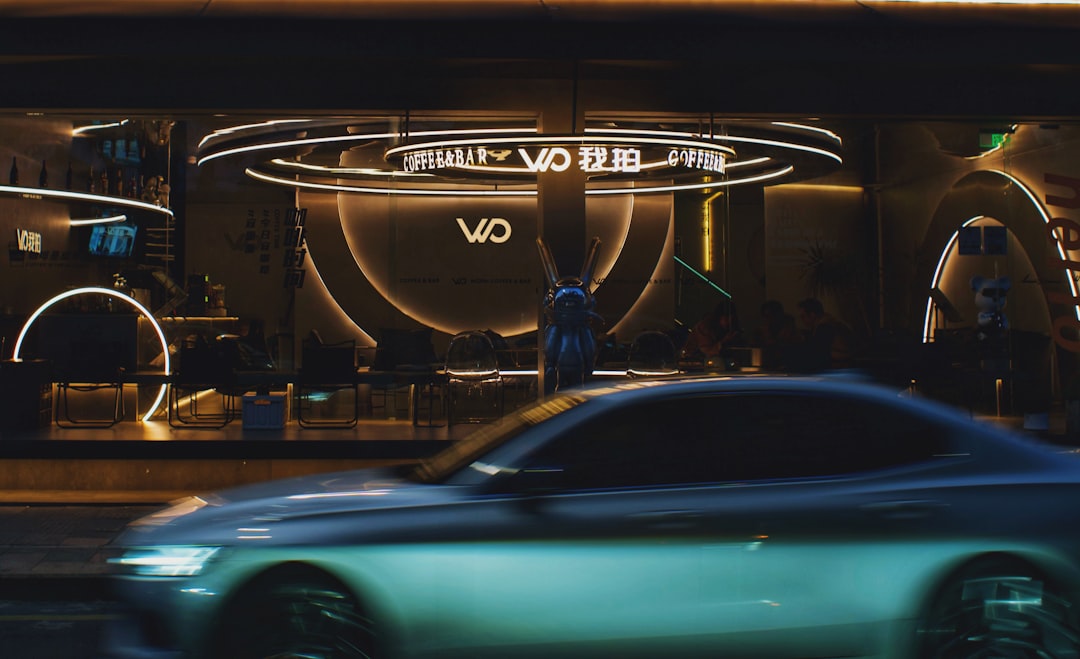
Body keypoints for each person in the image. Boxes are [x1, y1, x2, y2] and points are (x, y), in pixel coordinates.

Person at [789, 297, 853, 372]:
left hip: (841, 368)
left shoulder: (825, 326)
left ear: (812, 315)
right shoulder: (830, 321)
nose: (802, 321)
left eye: (803, 317)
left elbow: (819, 354)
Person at [681, 301, 743, 368]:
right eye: (726, 318)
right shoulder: (704, 327)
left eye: (731, 319)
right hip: (696, 364)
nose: (728, 322)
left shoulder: (729, 329)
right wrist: (724, 341)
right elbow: (707, 351)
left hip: (718, 365)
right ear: (719, 317)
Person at [753, 299, 799, 370]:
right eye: (765, 316)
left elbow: (787, 348)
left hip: (787, 366)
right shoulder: (762, 331)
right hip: (767, 367)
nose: (767, 320)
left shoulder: (788, 329)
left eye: (770, 316)